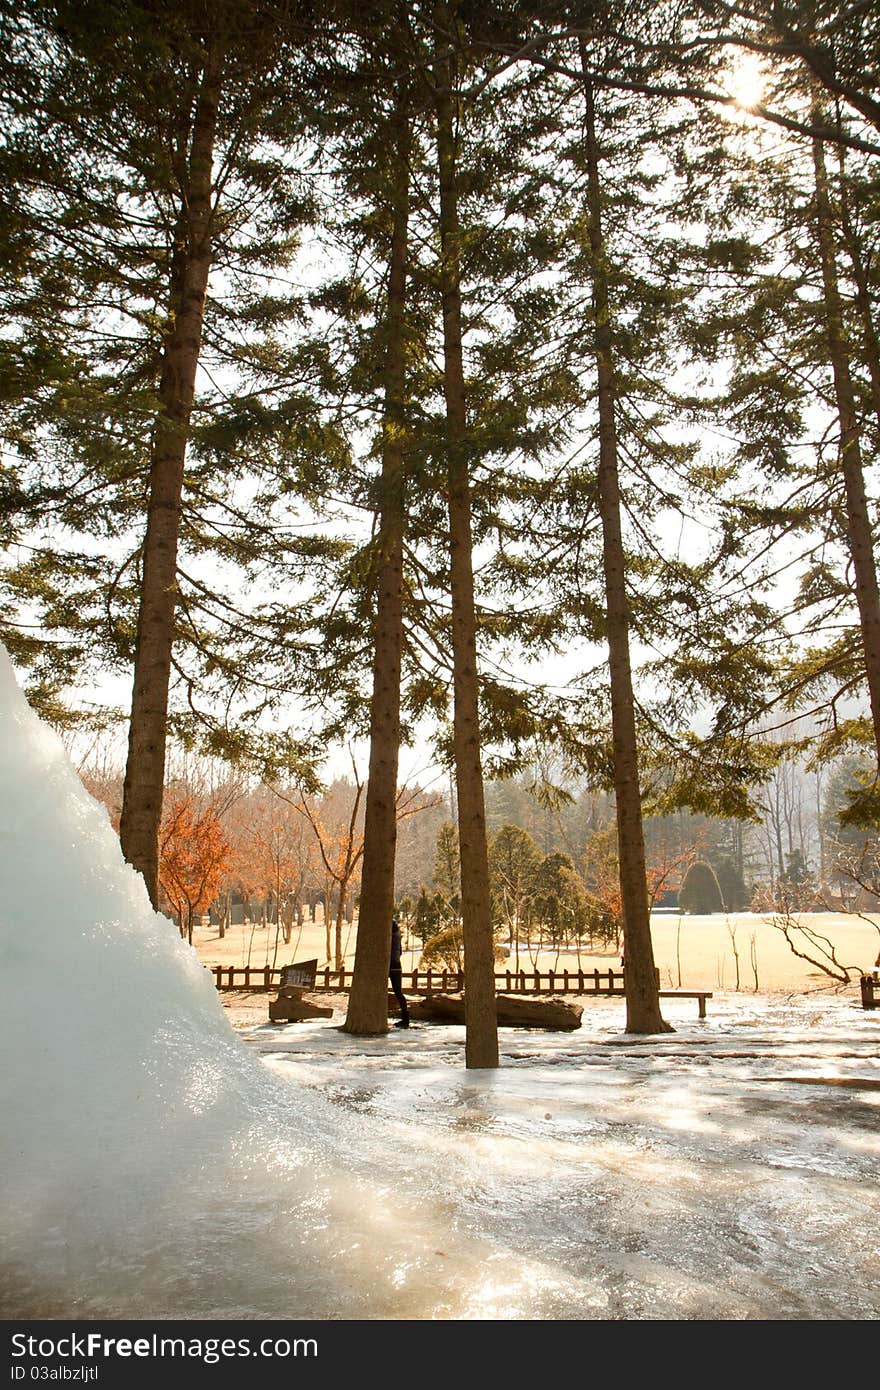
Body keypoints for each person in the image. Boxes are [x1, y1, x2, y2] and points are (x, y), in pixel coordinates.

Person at [389, 918, 410, 1029]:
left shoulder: (389, 937)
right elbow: (400, 951)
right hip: (397, 965)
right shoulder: (398, 937)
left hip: (389, 965)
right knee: (398, 993)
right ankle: (405, 1018)